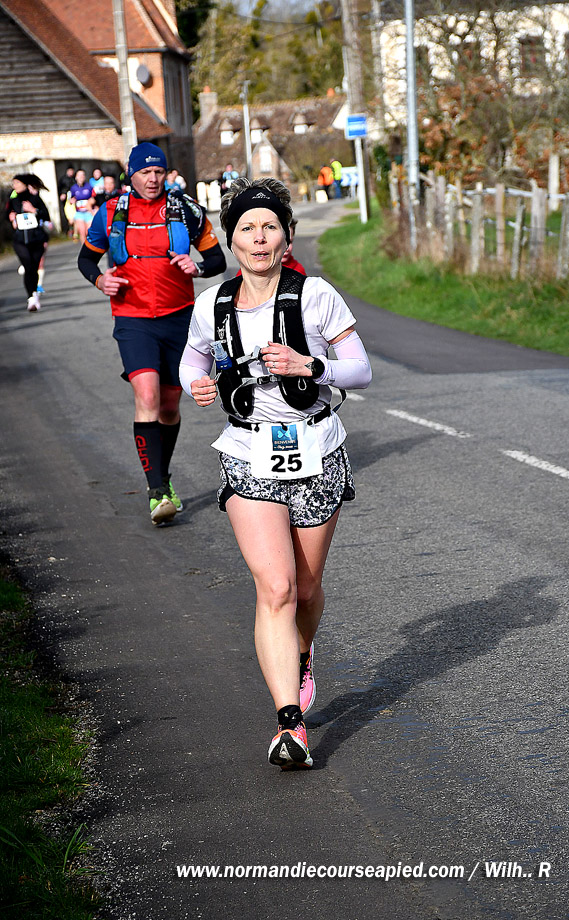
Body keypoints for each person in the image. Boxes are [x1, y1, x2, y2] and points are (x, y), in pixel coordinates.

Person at [179, 178, 372, 769]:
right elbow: (192, 360)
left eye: (269, 227)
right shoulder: (212, 305)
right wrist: (197, 384)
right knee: (277, 587)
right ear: (231, 240)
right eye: (247, 229)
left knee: (306, 590)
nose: (259, 238)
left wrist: (310, 365)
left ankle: (301, 652)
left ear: (287, 237)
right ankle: (290, 725)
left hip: (316, 449)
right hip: (247, 451)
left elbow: (361, 370)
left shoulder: (316, 296)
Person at [77, 142, 227, 525]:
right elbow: (86, 258)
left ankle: (163, 475)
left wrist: (197, 268)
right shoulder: (111, 212)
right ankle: (157, 490)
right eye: (145, 172)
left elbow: (216, 259)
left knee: (170, 407)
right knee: (147, 395)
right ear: (132, 175)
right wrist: (100, 280)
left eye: (158, 171)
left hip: (179, 318)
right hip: (133, 318)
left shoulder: (185, 208)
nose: (153, 179)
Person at [6, 174, 52, 312]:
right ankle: (31, 297)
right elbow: (6, 215)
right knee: (28, 265)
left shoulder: (34, 198)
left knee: (33, 267)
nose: (14, 186)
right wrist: (11, 218)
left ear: (25, 184)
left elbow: (46, 215)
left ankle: (34, 293)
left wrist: (33, 210)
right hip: (20, 240)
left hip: (36, 239)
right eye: (13, 183)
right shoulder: (13, 200)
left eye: (17, 183)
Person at [68, 169, 95, 243]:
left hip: (88, 212)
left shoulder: (89, 186)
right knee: (82, 232)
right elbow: (70, 201)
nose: (81, 177)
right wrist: (72, 201)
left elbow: (94, 198)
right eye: (79, 175)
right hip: (79, 213)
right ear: (76, 177)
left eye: (82, 175)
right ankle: (84, 247)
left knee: (88, 231)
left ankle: (91, 246)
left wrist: (91, 202)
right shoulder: (73, 188)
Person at [58, 165, 75, 235]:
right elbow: (60, 188)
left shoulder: (74, 179)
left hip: (72, 200)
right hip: (65, 200)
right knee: (65, 214)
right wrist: (62, 194)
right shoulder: (63, 179)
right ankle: (66, 230)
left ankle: (73, 230)